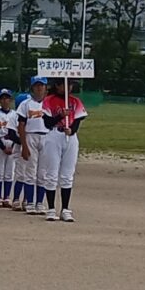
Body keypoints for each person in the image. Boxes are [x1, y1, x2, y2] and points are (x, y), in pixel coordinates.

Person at [39, 78, 87, 222]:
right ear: (58, 86)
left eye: (70, 85)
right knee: (52, 173)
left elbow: (78, 120)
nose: (68, 88)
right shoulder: (49, 100)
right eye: (65, 85)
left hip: (69, 137)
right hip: (54, 135)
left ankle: (65, 209)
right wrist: (60, 115)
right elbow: (47, 123)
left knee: (67, 174)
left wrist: (71, 130)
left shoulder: (75, 101)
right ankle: (51, 208)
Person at [14, 76, 50, 215]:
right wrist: (24, 145)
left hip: (47, 136)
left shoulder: (49, 103)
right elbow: (21, 125)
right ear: (32, 87)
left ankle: (40, 203)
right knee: (30, 172)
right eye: (37, 85)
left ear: (46, 87)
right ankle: (29, 202)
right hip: (31, 136)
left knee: (43, 173)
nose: (39, 88)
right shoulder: (26, 104)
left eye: (42, 85)